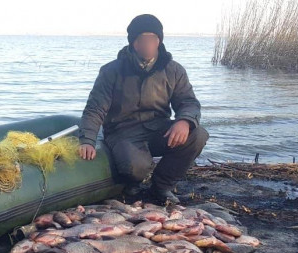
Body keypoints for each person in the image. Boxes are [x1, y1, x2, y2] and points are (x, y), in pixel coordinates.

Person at [78, 14, 208, 205]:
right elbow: (95, 109)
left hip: (158, 129)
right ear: (133, 43)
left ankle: (162, 187)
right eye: (142, 39)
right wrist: (87, 140)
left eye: (152, 39)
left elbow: (189, 102)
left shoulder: (174, 70)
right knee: (137, 166)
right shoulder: (111, 71)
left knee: (198, 135)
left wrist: (184, 121)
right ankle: (132, 185)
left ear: (159, 41)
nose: (148, 44)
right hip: (122, 132)